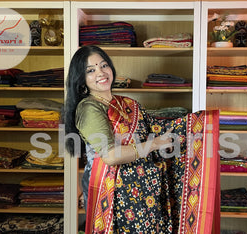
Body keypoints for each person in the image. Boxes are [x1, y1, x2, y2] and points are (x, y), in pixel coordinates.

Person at [64, 45, 219, 234]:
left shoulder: (126, 103)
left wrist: (200, 124)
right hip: (112, 192)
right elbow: (110, 156)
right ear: (81, 79)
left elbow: (155, 129)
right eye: (91, 70)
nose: (101, 73)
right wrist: (155, 144)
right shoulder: (89, 108)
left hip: (142, 188)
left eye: (104, 65)